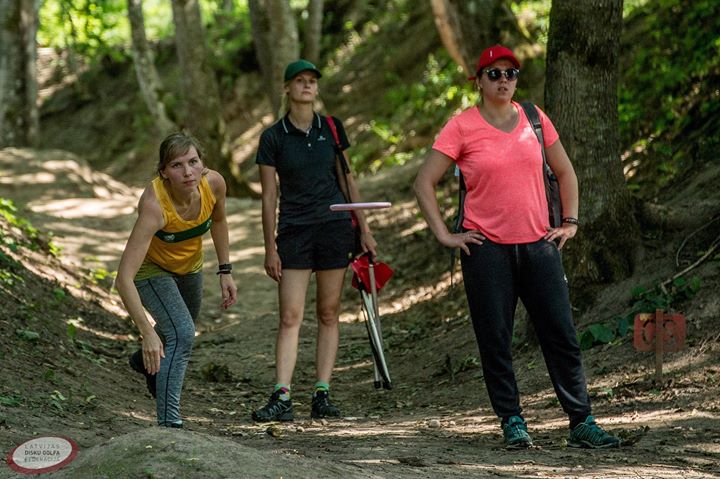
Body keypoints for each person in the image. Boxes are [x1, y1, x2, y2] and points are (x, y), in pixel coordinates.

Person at [414, 45, 620, 449]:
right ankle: (512, 420)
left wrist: (570, 223)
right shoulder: (461, 127)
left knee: (561, 333)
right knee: (495, 338)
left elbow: (565, 172)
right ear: (479, 81)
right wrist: (445, 234)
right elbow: (424, 183)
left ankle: (581, 421)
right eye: (494, 74)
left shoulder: (534, 118)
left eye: (511, 73)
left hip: (539, 245)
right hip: (486, 250)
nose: (504, 80)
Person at [252, 59, 377, 422]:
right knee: (290, 315)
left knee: (328, 312)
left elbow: (348, 180)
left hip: (334, 228)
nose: (307, 85)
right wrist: (270, 247)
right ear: (287, 88)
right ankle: (282, 395)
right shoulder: (273, 137)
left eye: (312, 81)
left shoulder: (332, 129)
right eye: (300, 81)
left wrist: (364, 229)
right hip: (294, 231)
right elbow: (269, 197)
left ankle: (322, 393)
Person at [115, 131, 237, 428]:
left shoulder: (214, 184)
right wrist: (147, 332)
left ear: (202, 164)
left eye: (193, 162)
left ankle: (142, 363)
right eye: (177, 165)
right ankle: (169, 423)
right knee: (182, 334)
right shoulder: (155, 206)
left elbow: (219, 220)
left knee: (177, 332)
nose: (188, 172)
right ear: (164, 172)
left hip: (190, 268)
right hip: (151, 270)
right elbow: (123, 278)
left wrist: (225, 270)